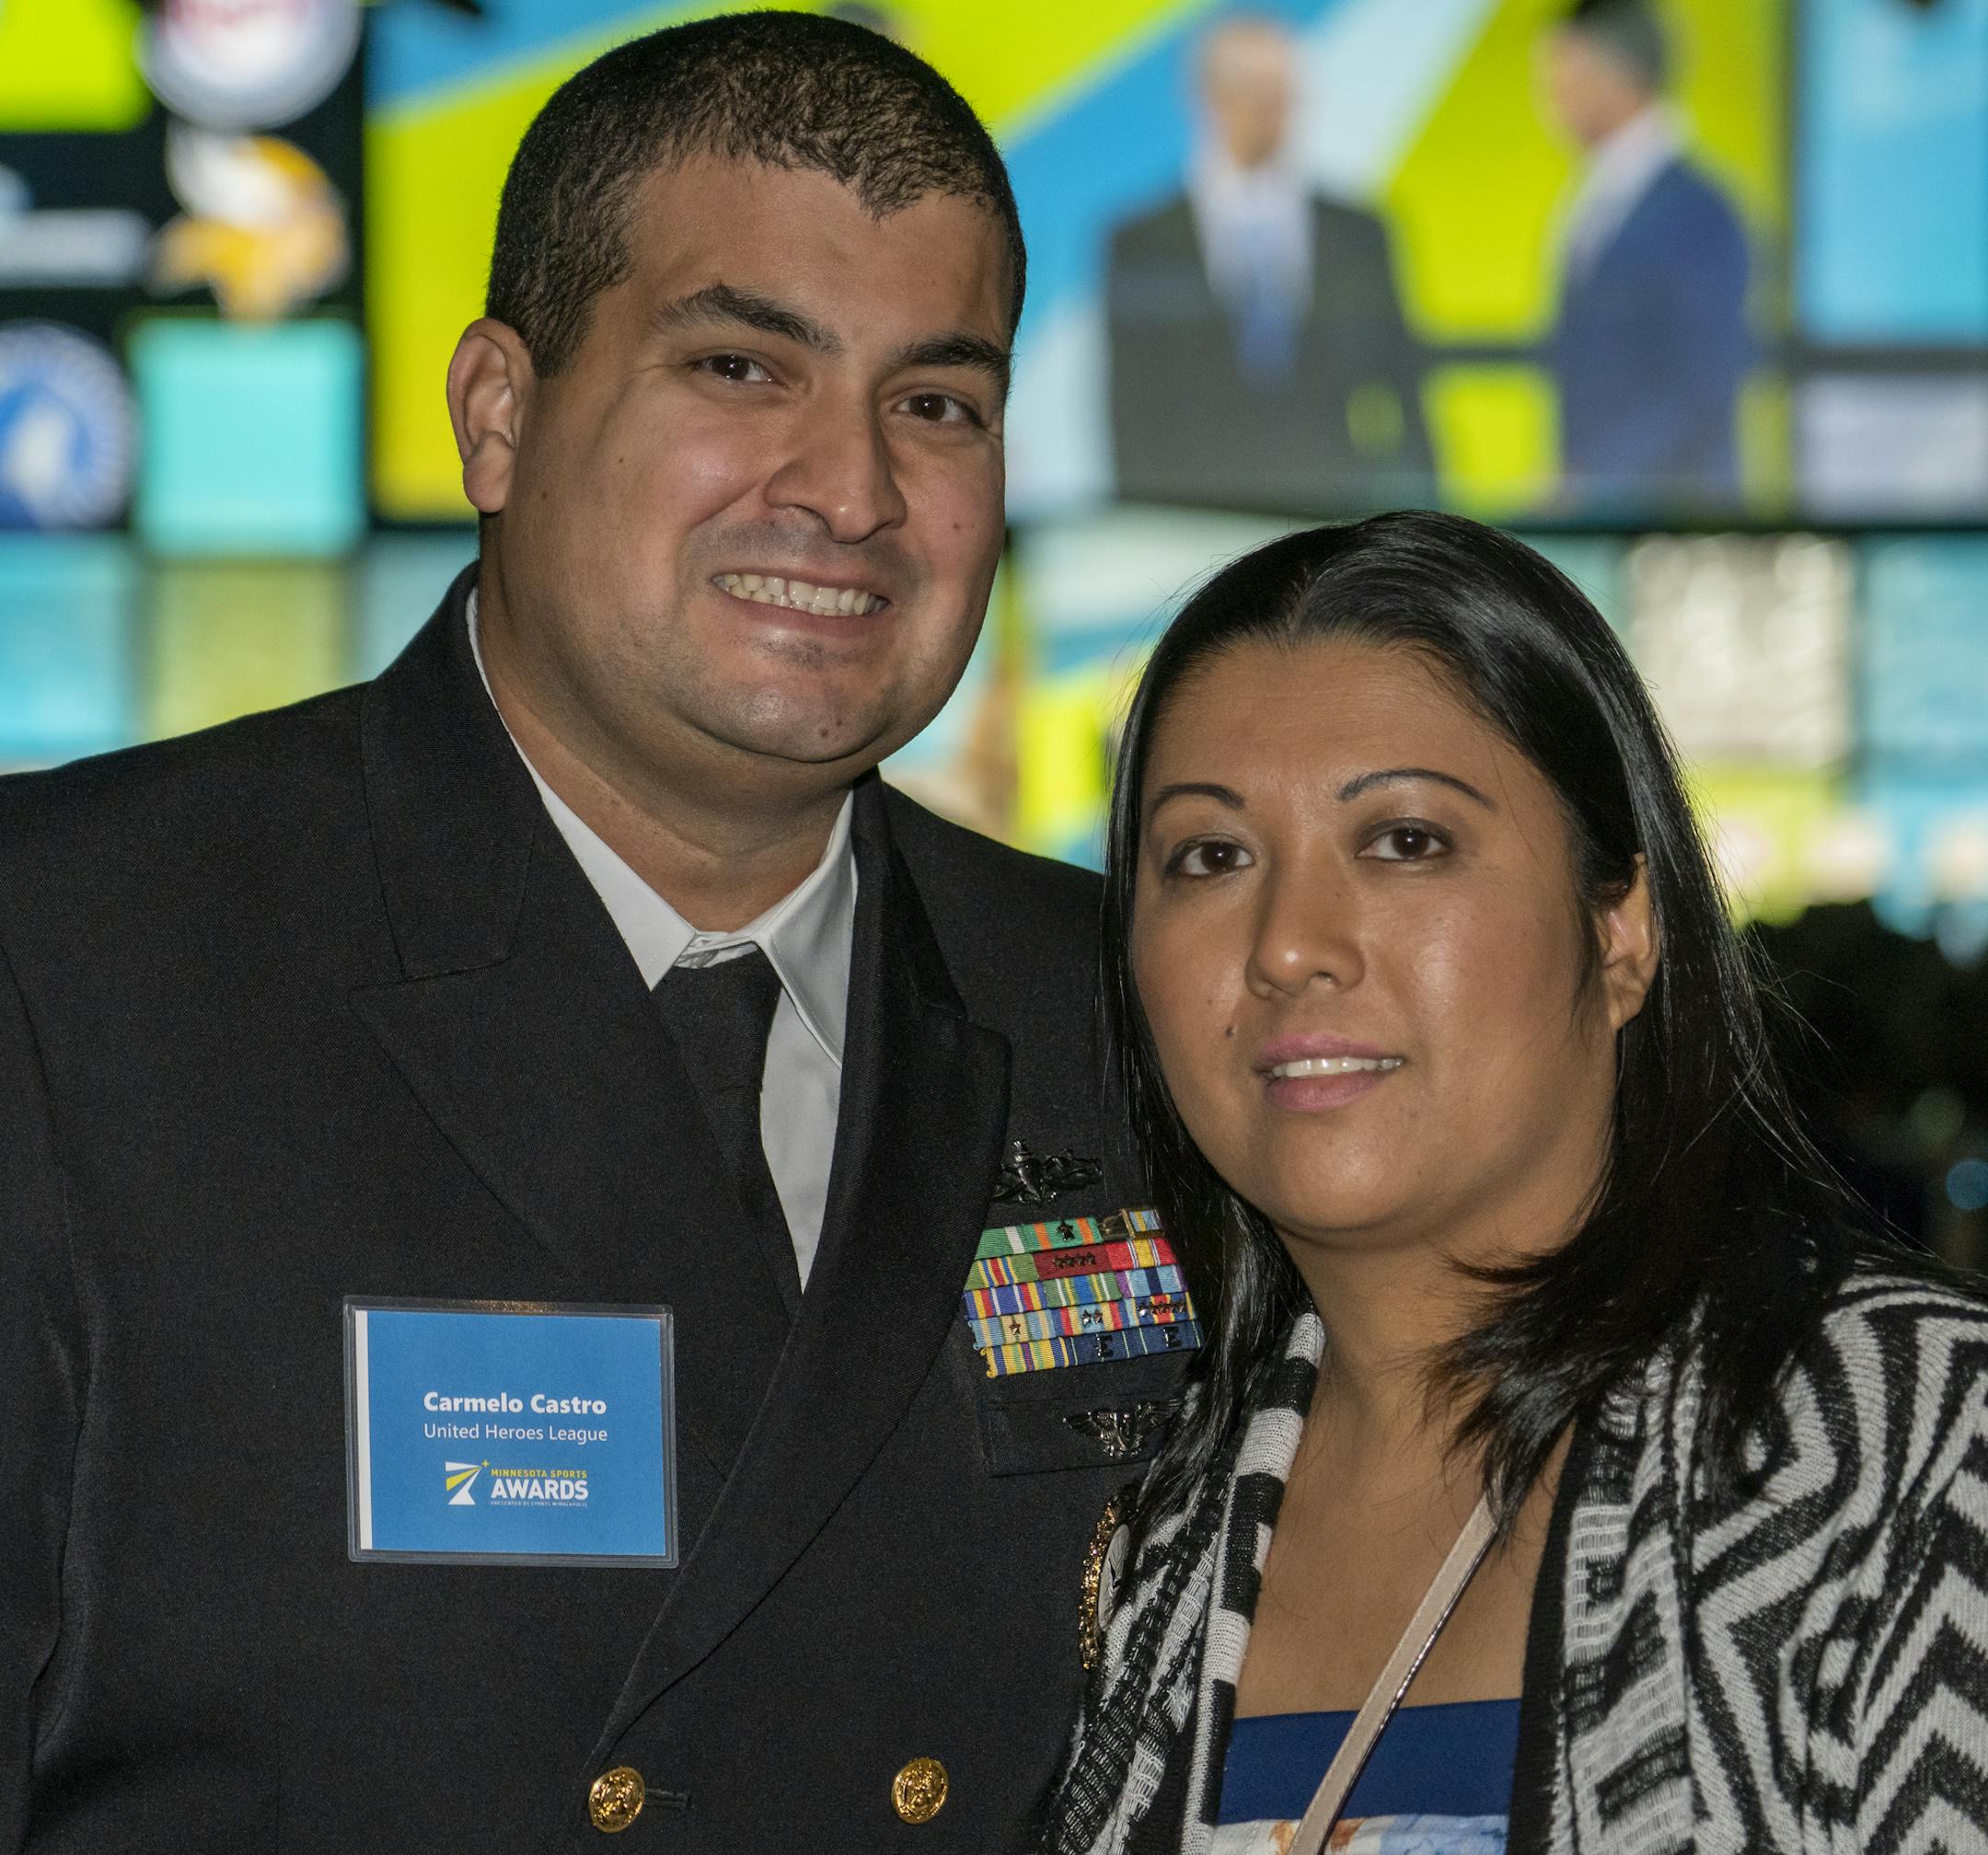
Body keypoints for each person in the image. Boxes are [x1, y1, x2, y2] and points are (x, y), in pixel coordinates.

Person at [0, 15, 1196, 1850]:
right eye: (741, 366)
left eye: (937, 402)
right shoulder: (75, 962)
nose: (854, 489)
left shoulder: (1128, 1008)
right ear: (499, 411)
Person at [1041, 512, 1988, 1853]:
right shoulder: (1151, 1521)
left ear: (1622, 931)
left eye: (1405, 841)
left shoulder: (1909, 1445)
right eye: (1209, 856)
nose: (1289, 946)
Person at [1106, 15, 1431, 513]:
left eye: (1280, 93)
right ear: (1207, 98)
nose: (1269, 111)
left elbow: (1403, 386)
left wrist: (1425, 514)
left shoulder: (1359, 234)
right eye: (1249, 91)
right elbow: (1132, 407)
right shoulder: (1141, 242)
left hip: (1338, 509)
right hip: (1196, 515)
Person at [1541, 0, 1751, 512]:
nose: (1550, 93)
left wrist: (1595, 481)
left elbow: (1702, 379)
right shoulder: (1595, 196)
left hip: (1681, 518)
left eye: (1564, 70)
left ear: (1619, 73)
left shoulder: (1699, 211)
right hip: (1607, 514)